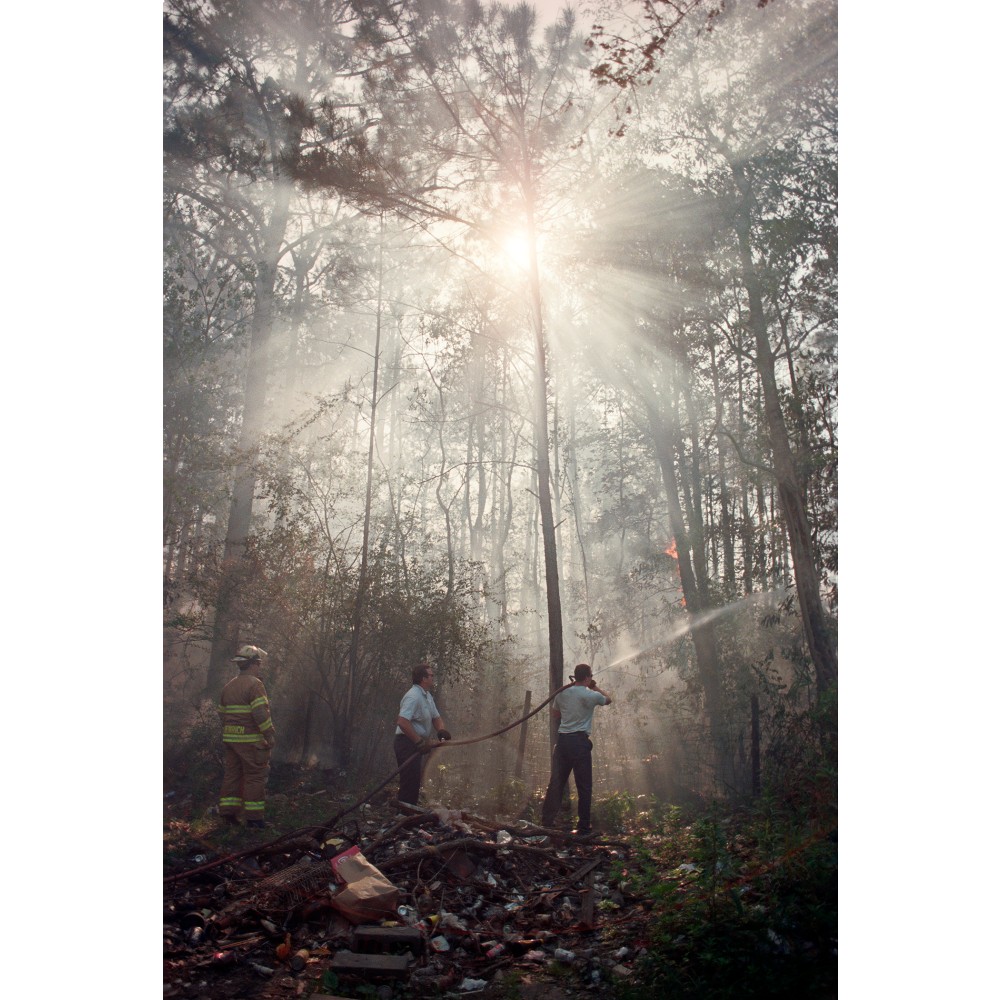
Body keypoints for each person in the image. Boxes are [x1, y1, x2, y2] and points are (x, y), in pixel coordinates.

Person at [540, 663, 612, 836]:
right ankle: (583, 827)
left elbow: (555, 714)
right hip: (579, 743)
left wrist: (570, 710)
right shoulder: (591, 695)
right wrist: (595, 686)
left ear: (575, 676)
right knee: (584, 786)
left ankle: (546, 822)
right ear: (587, 677)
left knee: (556, 783)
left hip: (563, 742)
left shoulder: (562, 693)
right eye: (590, 676)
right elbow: (608, 699)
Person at [217, 645, 276, 828]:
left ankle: (228, 815)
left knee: (232, 775)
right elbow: (260, 713)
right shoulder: (255, 684)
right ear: (253, 664)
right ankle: (254, 819)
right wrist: (269, 734)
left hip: (231, 740)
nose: (259, 667)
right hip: (251, 741)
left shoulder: (229, 686)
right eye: (258, 663)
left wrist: (233, 730)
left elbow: (222, 714)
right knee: (255, 777)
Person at [393, 663, 452, 806]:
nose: (433, 678)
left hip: (415, 743)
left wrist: (441, 731)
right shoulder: (413, 696)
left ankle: (409, 813)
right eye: (431, 675)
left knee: (414, 780)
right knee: (409, 780)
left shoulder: (426, 696)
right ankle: (403, 814)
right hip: (406, 742)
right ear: (423, 678)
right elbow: (402, 721)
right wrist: (419, 742)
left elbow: (435, 717)